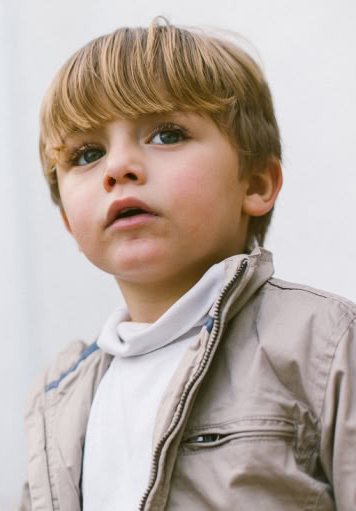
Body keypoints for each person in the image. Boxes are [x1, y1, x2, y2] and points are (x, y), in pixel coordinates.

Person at [19, 19, 356, 510]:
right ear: (69, 222)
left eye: (166, 135)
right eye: (88, 153)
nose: (118, 168)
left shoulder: (324, 345)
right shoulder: (58, 396)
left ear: (256, 183)